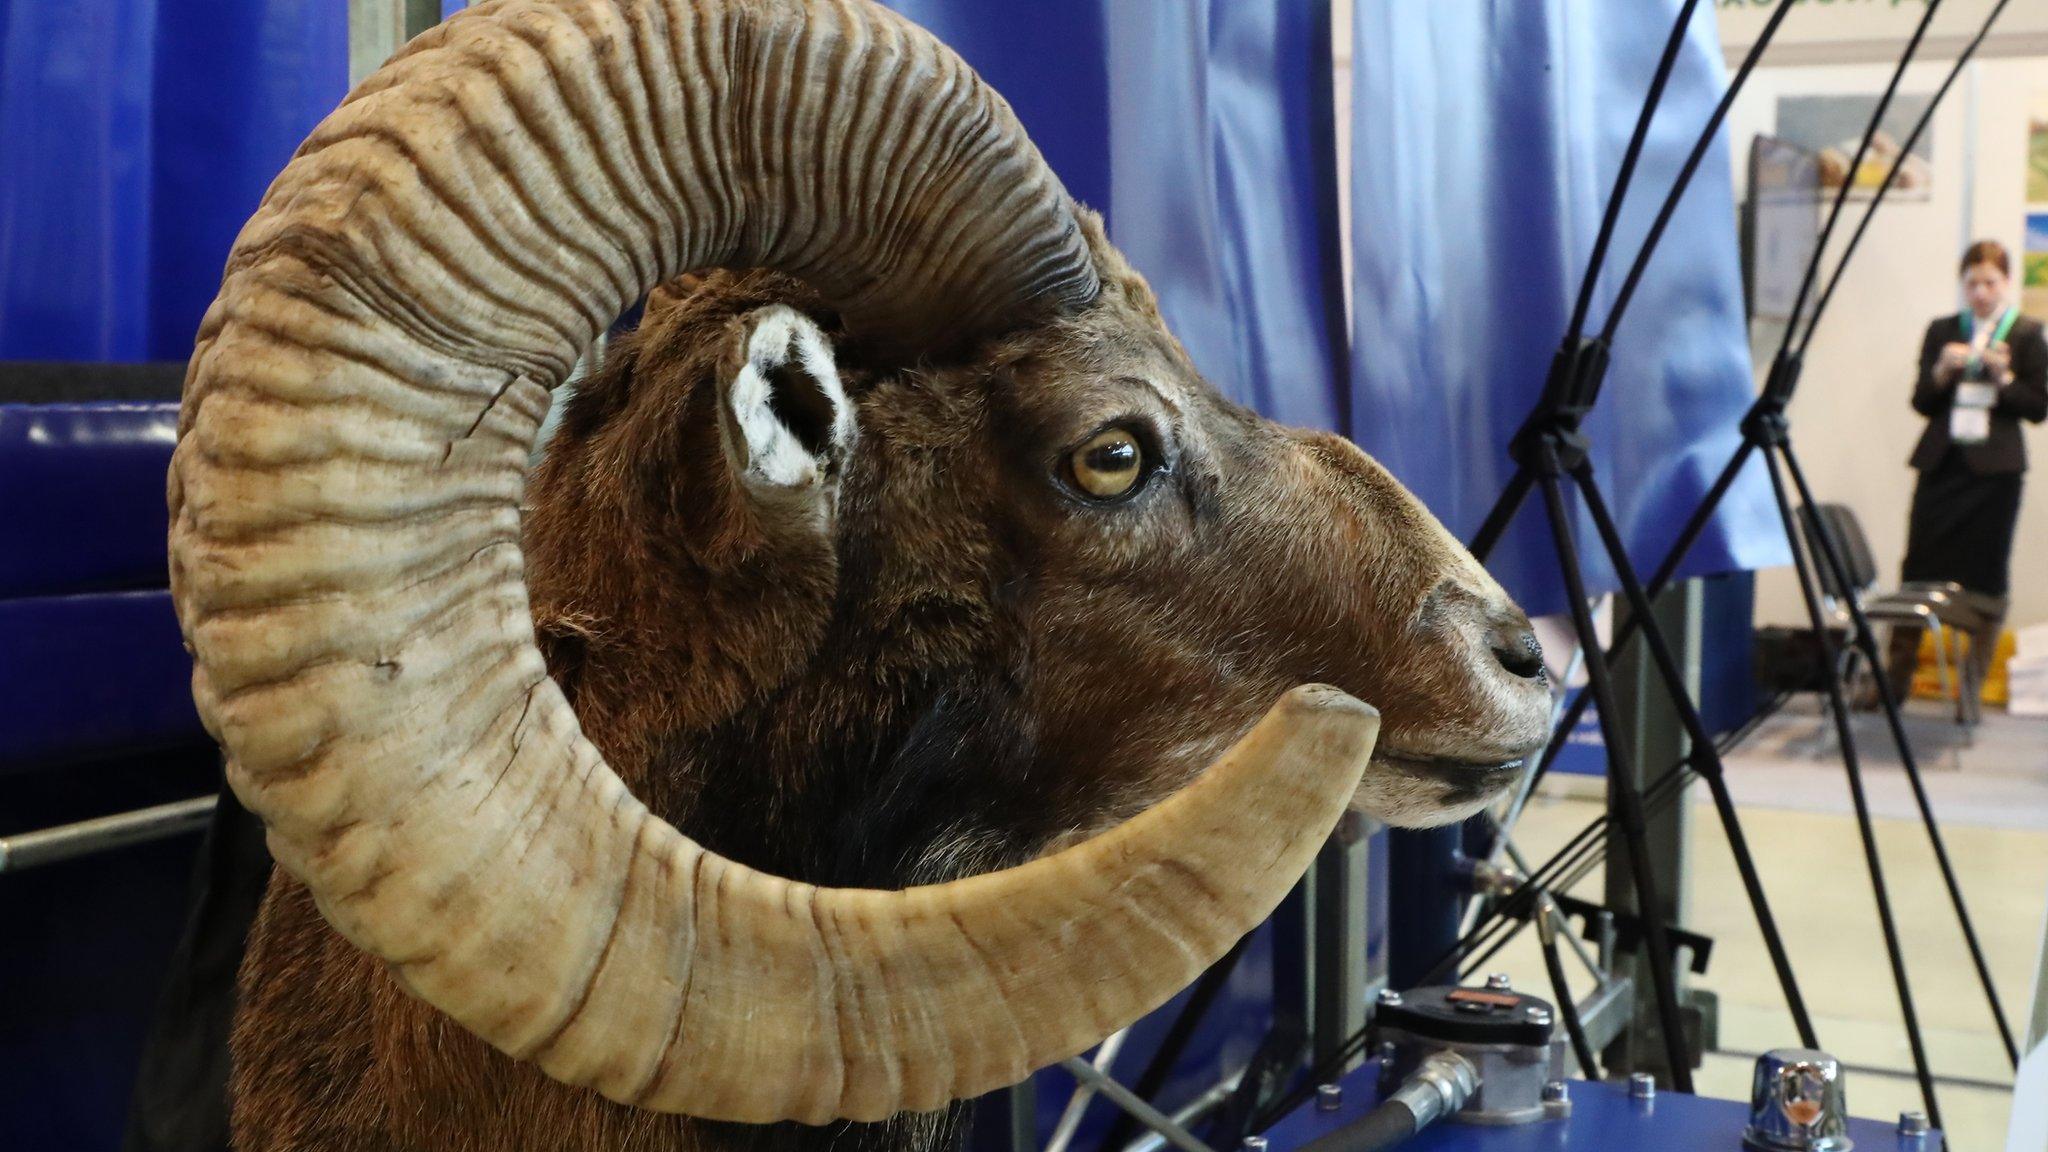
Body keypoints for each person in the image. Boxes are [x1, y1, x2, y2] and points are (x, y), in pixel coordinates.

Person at [1883, 240, 2048, 704]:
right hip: (1943, 465)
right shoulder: (1942, 330)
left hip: (1996, 473)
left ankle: (1971, 687)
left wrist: (2005, 378)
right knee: (1918, 568)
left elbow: (2038, 407)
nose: (1980, 292)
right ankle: (1894, 681)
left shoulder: (2027, 335)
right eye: (1972, 283)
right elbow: (1921, 401)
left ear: (2006, 283)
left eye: (1989, 282)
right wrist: (1941, 370)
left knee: (1987, 574)